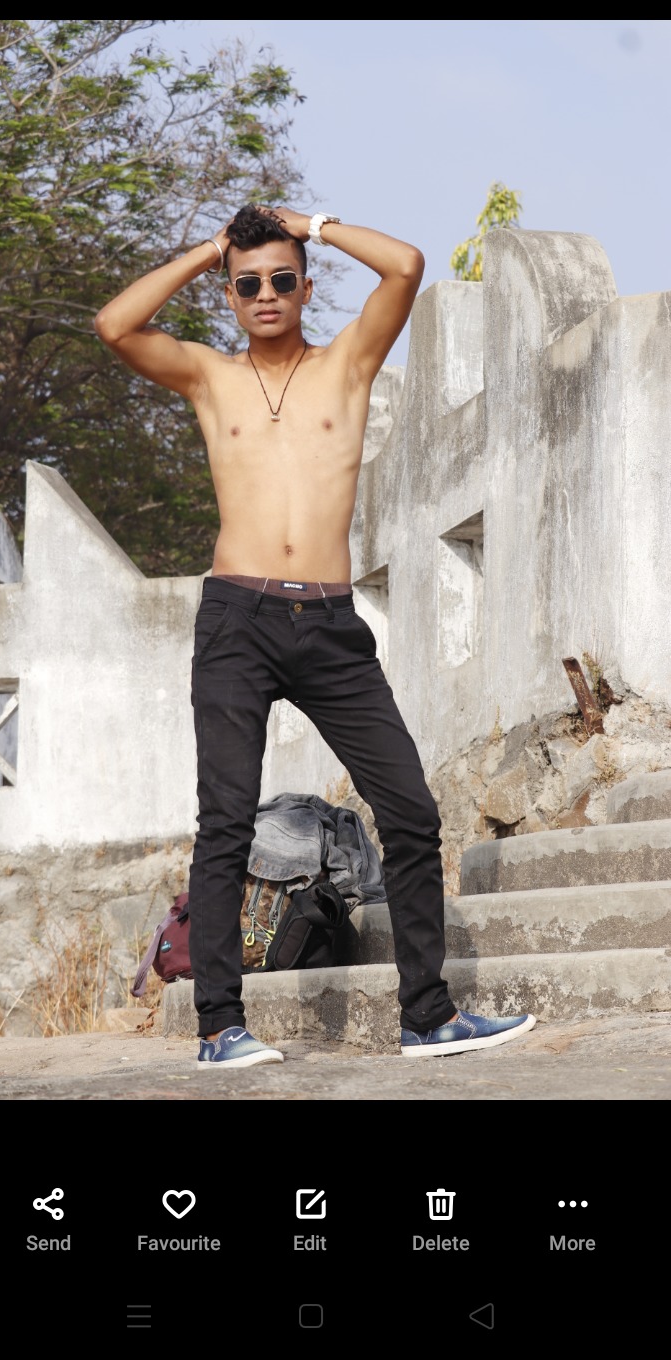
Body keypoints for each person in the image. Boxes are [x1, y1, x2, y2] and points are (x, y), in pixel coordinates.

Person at [94, 205, 536, 1066]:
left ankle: (428, 1016)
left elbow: (405, 266)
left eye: (282, 279)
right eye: (248, 282)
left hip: (331, 626)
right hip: (238, 618)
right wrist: (210, 251)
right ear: (230, 294)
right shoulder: (208, 376)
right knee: (225, 824)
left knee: (410, 812)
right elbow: (115, 324)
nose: (266, 293)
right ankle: (220, 1027)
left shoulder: (347, 365)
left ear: (304, 286)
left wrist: (316, 225)